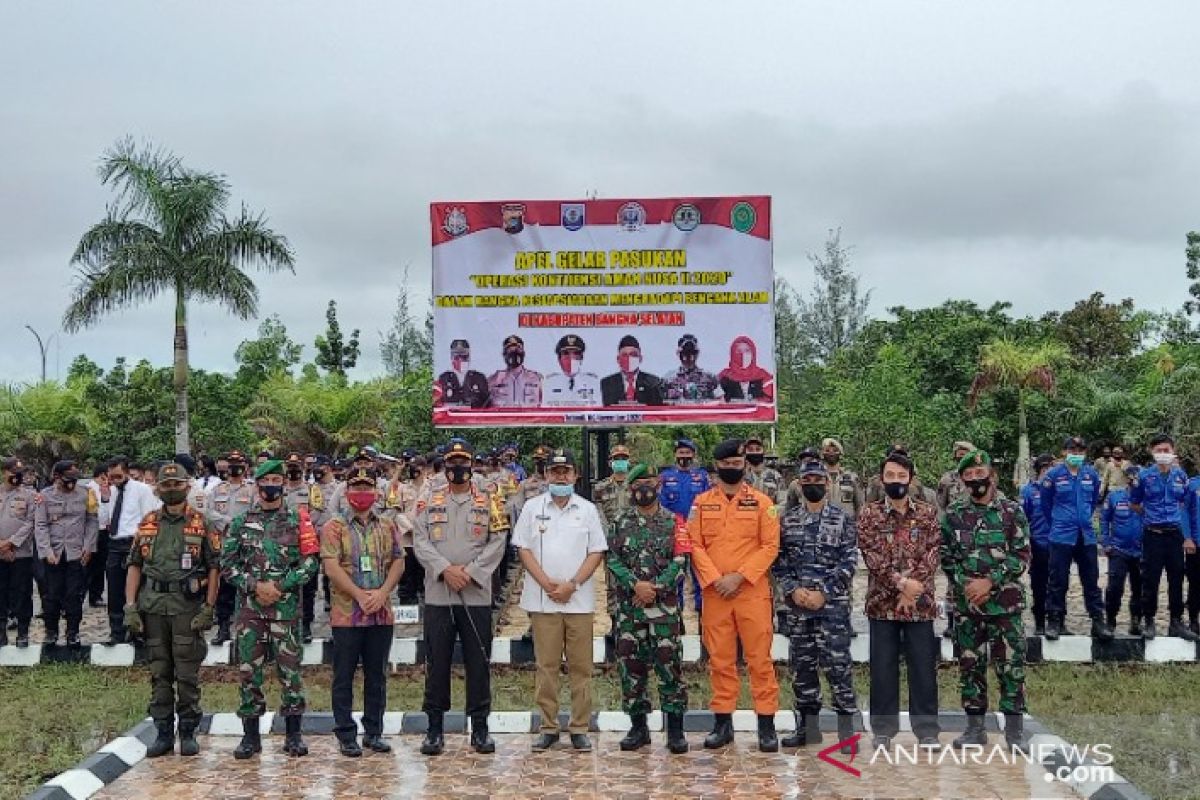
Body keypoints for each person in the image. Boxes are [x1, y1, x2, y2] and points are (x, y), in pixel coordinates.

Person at [684, 438, 781, 752]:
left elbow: (770, 547)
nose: (731, 469)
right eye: (726, 465)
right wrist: (714, 579)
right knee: (720, 661)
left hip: (751, 592)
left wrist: (739, 577)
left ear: (744, 465)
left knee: (760, 660)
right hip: (716, 596)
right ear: (717, 466)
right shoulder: (701, 504)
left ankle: (766, 726)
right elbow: (694, 545)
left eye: (737, 464)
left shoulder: (763, 503)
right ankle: (722, 725)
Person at [221, 459, 321, 760]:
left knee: (290, 672)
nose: (272, 485)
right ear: (258, 484)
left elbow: (310, 562)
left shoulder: (297, 519)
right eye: (267, 480)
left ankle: (293, 735)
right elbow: (227, 564)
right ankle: (250, 737)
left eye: (278, 479)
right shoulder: (240, 522)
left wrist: (282, 586)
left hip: (285, 609)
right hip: (251, 612)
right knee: (249, 671)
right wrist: (254, 586)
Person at [412, 442, 506, 756]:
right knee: (436, 662)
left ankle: (479, 728)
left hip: (475, 594)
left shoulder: (489, 499)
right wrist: (444, 569)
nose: (457, 467)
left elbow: (498, 540)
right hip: (439, 594)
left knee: (478, 662)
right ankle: (434, 729)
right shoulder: (429, 498)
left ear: (471, 464)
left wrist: (472, 572)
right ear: (445, 464)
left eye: (462, 461)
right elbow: (420, 540)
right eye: (452, 461)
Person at [513, 448, 607, 752]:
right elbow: (523, 549)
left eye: (566, 471)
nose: (561, 476)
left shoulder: (587, 509)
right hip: (543, 601)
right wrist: (547, 584)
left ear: (576, 475)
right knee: (547, 666)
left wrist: (573, 584)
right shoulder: (531, 507)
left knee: (581, 668)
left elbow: (596, 552)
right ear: (546, 475)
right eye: (555, 472)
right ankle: (549, 727)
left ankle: (579, 727)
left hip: (578, 601)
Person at [123, 463, 219, 757]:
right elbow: (135, 566)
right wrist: (130, 607)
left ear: (187, 487)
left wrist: (209, 607)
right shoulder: (148, 522)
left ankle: (188, 731)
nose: (173, 489)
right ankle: (163, 732)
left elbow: (215, 568)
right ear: (158, 489)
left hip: (186, 609)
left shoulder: (202, 523)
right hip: (152, 607)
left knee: (187, 673)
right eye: (167, 485)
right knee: (159, 671)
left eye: (178, 484)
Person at [940, 450, 1030, 753]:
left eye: (981, 473)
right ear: (963, 479)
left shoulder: (1011, 511)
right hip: (969, 607)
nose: (976, 479)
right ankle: (975, 729)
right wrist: (966, 585)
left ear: (991, 475)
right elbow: (947, 557)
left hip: (1005, 605)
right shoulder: (953, 514)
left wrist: (990, 582)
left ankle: (1015, 733)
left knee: (1011, 667)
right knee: (970, 667)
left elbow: (1021, 555)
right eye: (970, 475)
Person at [856, 450, 941, 750]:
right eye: (890, 476)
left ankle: (927, 730)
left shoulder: (928, 514)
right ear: (882, 479)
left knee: (923, 668)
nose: (896, 481)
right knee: (883, 669)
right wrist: (901, 584)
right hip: (882, 604)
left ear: (911, 479)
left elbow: (932, 555)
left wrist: (912, 589)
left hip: (920, 605)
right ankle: (883, 730)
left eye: (901, 476)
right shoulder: (869, 514)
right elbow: (872, 557)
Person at [772, 460, 858, 752]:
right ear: (798, 483)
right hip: (798, 611)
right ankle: (808, 730)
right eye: (807, 479)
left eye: (817, 479)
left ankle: (848, 732)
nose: (813, 483)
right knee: (802, 669)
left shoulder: (843, 518)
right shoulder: (788, 520)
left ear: (826, 483)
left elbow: (848, 562)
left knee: (838, 669)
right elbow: (779, 562)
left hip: (832, 608)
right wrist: (793, 591)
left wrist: (824, 592)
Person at [320, 466, 405, 757]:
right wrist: (359, 595)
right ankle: (345, 733)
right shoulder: (334, 526)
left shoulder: (387, 525)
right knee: (343, 676)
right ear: (346, 493)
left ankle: (373, 732)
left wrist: (382, 593)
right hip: (347, 614)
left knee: (376, 676)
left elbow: (398, 561)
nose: (361, 493)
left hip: (381, 613)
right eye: (356, 488)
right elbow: (331, 567)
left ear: (376, 493)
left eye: (366, 488)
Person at [606, 463, 689, 754]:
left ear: (659, 485)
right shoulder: (619, 522)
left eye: (649, 482)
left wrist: (655, 588)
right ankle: (638, 728)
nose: (644, 488)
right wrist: (635, 585)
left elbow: (681, 562)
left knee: (670, 667)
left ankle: (676, 731)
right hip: (630, 609)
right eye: (638, 484)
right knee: (632, 668)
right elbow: (612, 560)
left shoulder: (675, 522)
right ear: (630, 489)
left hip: (664, 609)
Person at [1040, 436, 1113, 641]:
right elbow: (1046, 506)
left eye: (1081, 451)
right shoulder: (1053, 475)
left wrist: (1083, 519)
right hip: (1061, 534)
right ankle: (1055, 620)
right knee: (1058, 580)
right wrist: (1058, 521)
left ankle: (1098, 621)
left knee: (1091, 580)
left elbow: (1092, 503)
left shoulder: (1091, 474)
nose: (1077, 454)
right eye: (1073, 450)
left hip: (1086, 535)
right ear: (1064, 452)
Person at [1131, 434, 1197, 641]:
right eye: (1159, 450)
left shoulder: (1181, 476)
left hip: (1174, 534)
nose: (1163, 454)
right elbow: (1134, 502)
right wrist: (1150, 515)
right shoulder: (1144, 476)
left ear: (1173, 451)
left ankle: (1176, 621)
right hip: (1153, 534)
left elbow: (1185, 503)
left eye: (1166, 450)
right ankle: (1149, 621)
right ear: (1152, 452)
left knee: (1176, 578)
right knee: (1150, 579)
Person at [35, 460, 98, 646]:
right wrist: (46, 551)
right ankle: (51, 632)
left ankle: (73, 632)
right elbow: (40, 525)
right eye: (67, 479)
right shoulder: (44, 496)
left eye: (74, 479)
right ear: (57, 477)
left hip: (76, 552)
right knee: (51, 594)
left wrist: (89, 547)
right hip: (53, 553)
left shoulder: (87, 494)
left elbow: (92, 521)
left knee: (74, 595)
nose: (71, 483)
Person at [104, 457, 161, 645]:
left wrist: (142, 541)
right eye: (112, 477)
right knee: (114, 589)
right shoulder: (111, 491)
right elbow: (105, 518)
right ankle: (116, 632)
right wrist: (105, 498)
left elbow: (148, 516)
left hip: (134, 542)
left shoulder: (141, 490)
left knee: (137, 589)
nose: (115, 480)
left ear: (127, 472)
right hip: (114, 543)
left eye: (119, 476)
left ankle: (137, 631)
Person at [206, 450, 258, 646]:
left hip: (246, 544)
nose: (235, 466)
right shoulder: (217, 490)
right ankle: (223, 627)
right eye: (231, 462)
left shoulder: (252, 490)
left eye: (239, 462)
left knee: (246, 586)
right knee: (225, 588)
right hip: (224, 544)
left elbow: (256, 513)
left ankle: (248, 628)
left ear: (245, 466)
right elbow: (209, 512)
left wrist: (238, 526)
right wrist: (226, 522)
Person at [659, 439, 709, 616]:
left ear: (693, 455)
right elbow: (662, 505)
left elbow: (708, 503)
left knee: (699, 573)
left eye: (688, 453)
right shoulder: (666, 477)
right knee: (675, 573)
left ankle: (701, 610)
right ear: (675, 455)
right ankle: (676, 611)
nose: (684, 457)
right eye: (681, 453)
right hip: (674, 534)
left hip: (698, 533)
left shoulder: (702, 477)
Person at [1101, 464, 1144, 637]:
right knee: (1114, 588)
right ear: (1126, 478)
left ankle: (1136, 621)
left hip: (1141, 550)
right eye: (1131, 478)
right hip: (1118, 549)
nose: (1134, 481)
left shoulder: (1147, 499)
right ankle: (1110, 620)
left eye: (1137, 478)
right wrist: (1106, 542)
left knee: (1140, 588)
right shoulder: (1114, 496)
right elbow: (1104, 520)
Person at [0, 457, 37, 647]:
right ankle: (1, 634)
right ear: (5, 472)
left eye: (20, 473)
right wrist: (1, 545)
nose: (17, 476)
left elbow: (31, 523)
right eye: (13, 473)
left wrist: (11, 544)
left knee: (22, 594)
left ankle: (23, 633)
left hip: (21, 554)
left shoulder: (30, 495)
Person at [1021, 454, 1056, 636]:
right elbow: (1023, 519)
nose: (1048, 471)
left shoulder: (1060, 488)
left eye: (1051, 467)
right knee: (1039, 584)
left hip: (1059, 542)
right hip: (1037, 543)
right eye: (1044, 468)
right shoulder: (1028, 491)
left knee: (1058, 584)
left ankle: (1058, 621)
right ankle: (1040, 621)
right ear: (1038, 470)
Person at [790, 438, 863, 518]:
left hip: (846, 524)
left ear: (840, 453)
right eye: (827, 450)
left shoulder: (851, 478)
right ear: (822, 454)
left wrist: (856, 524)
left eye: (835, 450)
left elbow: (859, 505)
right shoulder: (814, 479)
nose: (831, 453)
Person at [601, 335, 665, 406]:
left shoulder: (653, 382)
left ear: (640, 358)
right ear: (618, 359)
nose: (629, 358)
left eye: (633, 354)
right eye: (625, 355)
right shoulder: (607, 383)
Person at [543, 334, 602, 406]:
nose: (571, 357)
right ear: (559, 359)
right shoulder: (549, 383)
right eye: (566, 354)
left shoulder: (593, 382)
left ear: (581, 358)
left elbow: (598, 409)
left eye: (576, 353)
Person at [662, 334, 721, 402]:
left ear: (697, 353)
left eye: (692, 352)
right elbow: (661, 402)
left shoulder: (710, 377)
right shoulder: (669, 379)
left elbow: (720, 400)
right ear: (678, 353)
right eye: (685, 353)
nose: (689, 356)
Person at [487, 334, 543, 407]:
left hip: (529, 418)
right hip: (503, 418)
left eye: (518, 348)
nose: (514, 352)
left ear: (523, 352)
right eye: (510, 349)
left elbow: (541, 404)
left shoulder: (535, 378)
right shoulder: (494, 379)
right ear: (504, 354)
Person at [437, 339, 491, 408]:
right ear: (451, 357)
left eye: (464, 356)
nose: (460, 359)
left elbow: (487, 403)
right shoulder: (444, 378)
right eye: (456, 356)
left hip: (474, 417)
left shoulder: (479, 378)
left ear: (469, 357)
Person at [717, 335, 774, 401]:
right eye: (739, 351)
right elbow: (717, 401)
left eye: (747, 351)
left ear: (753, 353)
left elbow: (771, 401)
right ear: (732, 353)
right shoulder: (724, 377)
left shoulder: (764, 376)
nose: (743, 354)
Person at [86, 464, 111, 607]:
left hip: (104, 531)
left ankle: (96, 595)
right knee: (90, 565)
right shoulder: (89, 488)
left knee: (100, 565)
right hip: (92, 530)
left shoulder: (108, 488)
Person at [591, 443, 633, 525]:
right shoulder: (600, 487)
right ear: (610, 463)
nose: (620, 461)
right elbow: (598, 514)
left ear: (628, 462)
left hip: (631, 531)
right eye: (617, 458)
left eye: (624, 458)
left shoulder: (634, 485)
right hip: (608, 530)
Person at [744, 435, 785, 504]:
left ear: (764, 452)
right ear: (745, 453)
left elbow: (783, 502)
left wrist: (769, 513)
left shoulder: (775, 476)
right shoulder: (740, 477)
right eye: (750, 450)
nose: (754, 452)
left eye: (758, 449)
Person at [936, 441, 976, 511]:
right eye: (959, 458)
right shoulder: (948, 478)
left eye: (965, 457)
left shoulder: (981, 478)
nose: (962, 461)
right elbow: (940, 505)